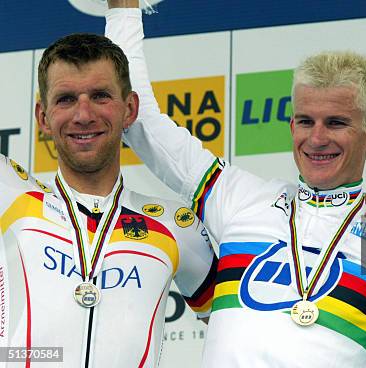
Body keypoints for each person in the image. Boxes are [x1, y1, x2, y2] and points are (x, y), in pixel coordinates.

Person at [105, 2, 366, 367]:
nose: (317, 138)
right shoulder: (240, 198)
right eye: (305, 121)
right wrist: (124, 11)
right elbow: (140, 122)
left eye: (337, 122)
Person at [0, 32, 216, 367]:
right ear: (42, 116)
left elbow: (241, 331)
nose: (83, 115)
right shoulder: (10, 193)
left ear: (129, 108)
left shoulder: (174, 226)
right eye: (66, 99)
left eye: (100, 96)